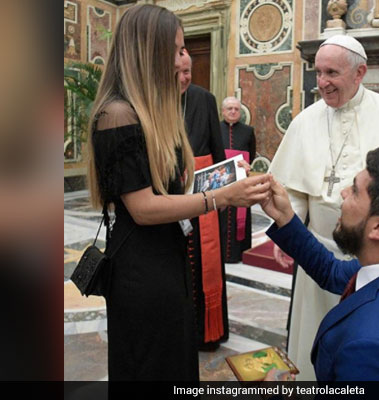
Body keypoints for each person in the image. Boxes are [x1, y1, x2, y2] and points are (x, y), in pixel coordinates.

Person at [87, 4, 270, 381]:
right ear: (149, 50)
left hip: (168, 255)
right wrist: (223, 197)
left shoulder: (153, 109)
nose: (183, 58)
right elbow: (143, 208)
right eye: (176, 49)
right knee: (151, 366)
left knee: (175, 358)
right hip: (141, 266)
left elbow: (168, 186)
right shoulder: (118, 113)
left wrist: (224, 178)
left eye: (184, 48)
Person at [268, 34, 379, 380]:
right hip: (317, 249)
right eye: (318, 73)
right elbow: (293, 190)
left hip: (378, 257)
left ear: (360, 72)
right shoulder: (304, 121)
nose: (323, 83)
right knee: (314, 340)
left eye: (332, 73)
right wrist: (290, 231)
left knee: (368, 349)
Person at [262, 148, 379, 382]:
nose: (342, 193)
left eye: (355, 191)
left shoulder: (371, 350)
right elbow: (332, 272)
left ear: (378, 227)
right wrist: (285, 218)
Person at [178, 51, 230, 349]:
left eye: (189, 71)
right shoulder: (154, 98)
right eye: (180, 71)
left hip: (204, 191)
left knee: (205, 261)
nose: (186, 77)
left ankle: (209, 333)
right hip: (172, 195)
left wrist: (224, 188)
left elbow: (217, 148)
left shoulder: (204, 99)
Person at [220, 97, 257, 263]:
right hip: (220, 181)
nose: (233, 111)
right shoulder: (215, 129)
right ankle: (220, 252)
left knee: (238, 218)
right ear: (223, 111)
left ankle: (237, 253)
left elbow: (251, 153)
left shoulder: (248, 131)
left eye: (236, 109)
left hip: (240, 182)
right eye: (229, 108)